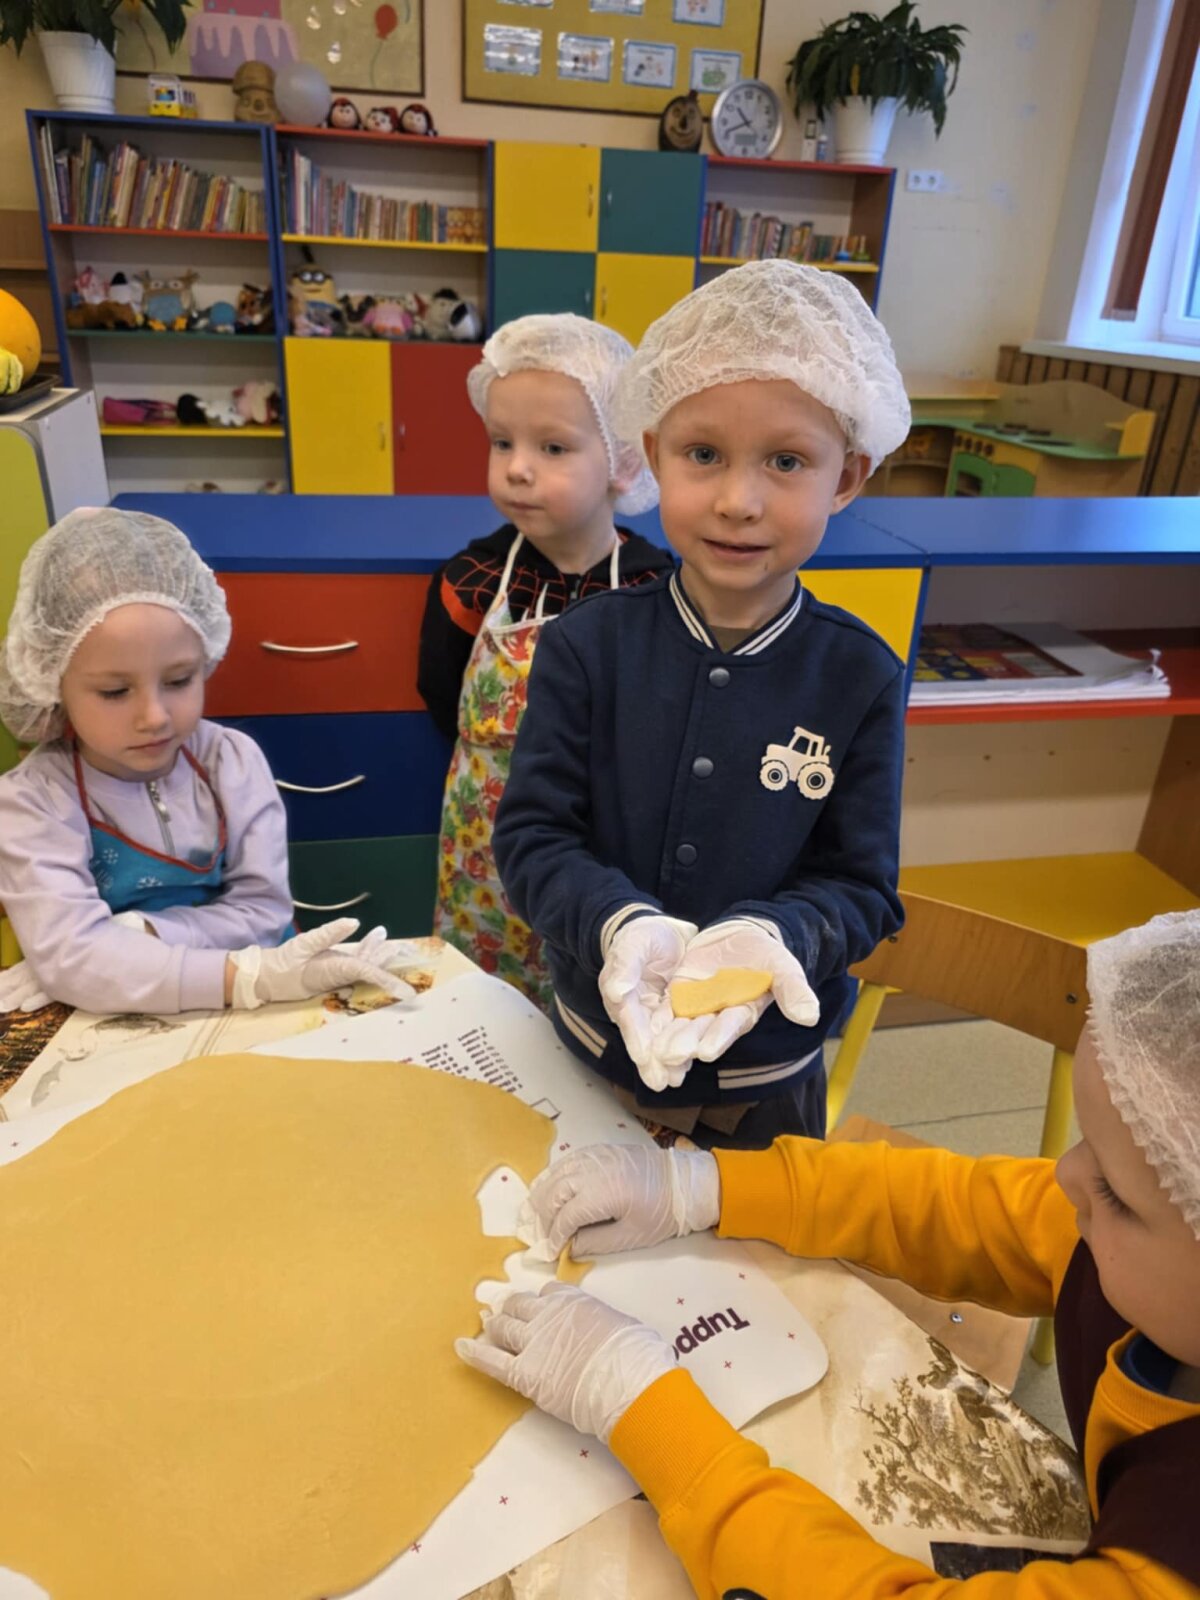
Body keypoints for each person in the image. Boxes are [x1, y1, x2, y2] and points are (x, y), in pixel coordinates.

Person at [459, 910, 1200, 1598]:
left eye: (1116, 1191)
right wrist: (708, 1186)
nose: (1066, 1175)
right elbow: (957, 1208)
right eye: (1085, 1143)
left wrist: (654, 1422)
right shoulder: (1143, 1241)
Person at [493, 263, 911, 1144]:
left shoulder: (860, 675)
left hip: (765, 1084)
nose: (737, 501)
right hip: (590, 1055)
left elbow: (863, 887)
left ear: (847, 477)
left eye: (786, 461)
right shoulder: (585, 647)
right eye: (704, 455)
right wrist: (617, 923)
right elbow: (533, 838)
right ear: (652, 456)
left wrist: (775, 935)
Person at [0, 508, 412, 1017]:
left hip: (267, 992)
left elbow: (263, 912)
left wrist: (140, 936)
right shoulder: (34, 802)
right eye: (114, 691)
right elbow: (73, 956)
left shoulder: (230, 761)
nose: (155, 716)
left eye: (179, 681)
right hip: (138, 1011)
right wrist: (239, 975)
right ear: (52, 682)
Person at [420, 314, 670, 1010]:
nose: (517, 467)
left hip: (595, 852)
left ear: (623, 461)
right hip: (481, 852)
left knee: (584, 1004)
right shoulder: (471, 580)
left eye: (553, 447)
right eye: (502, 442)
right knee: (480, 1009)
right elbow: (440, 694)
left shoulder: (652, 593)